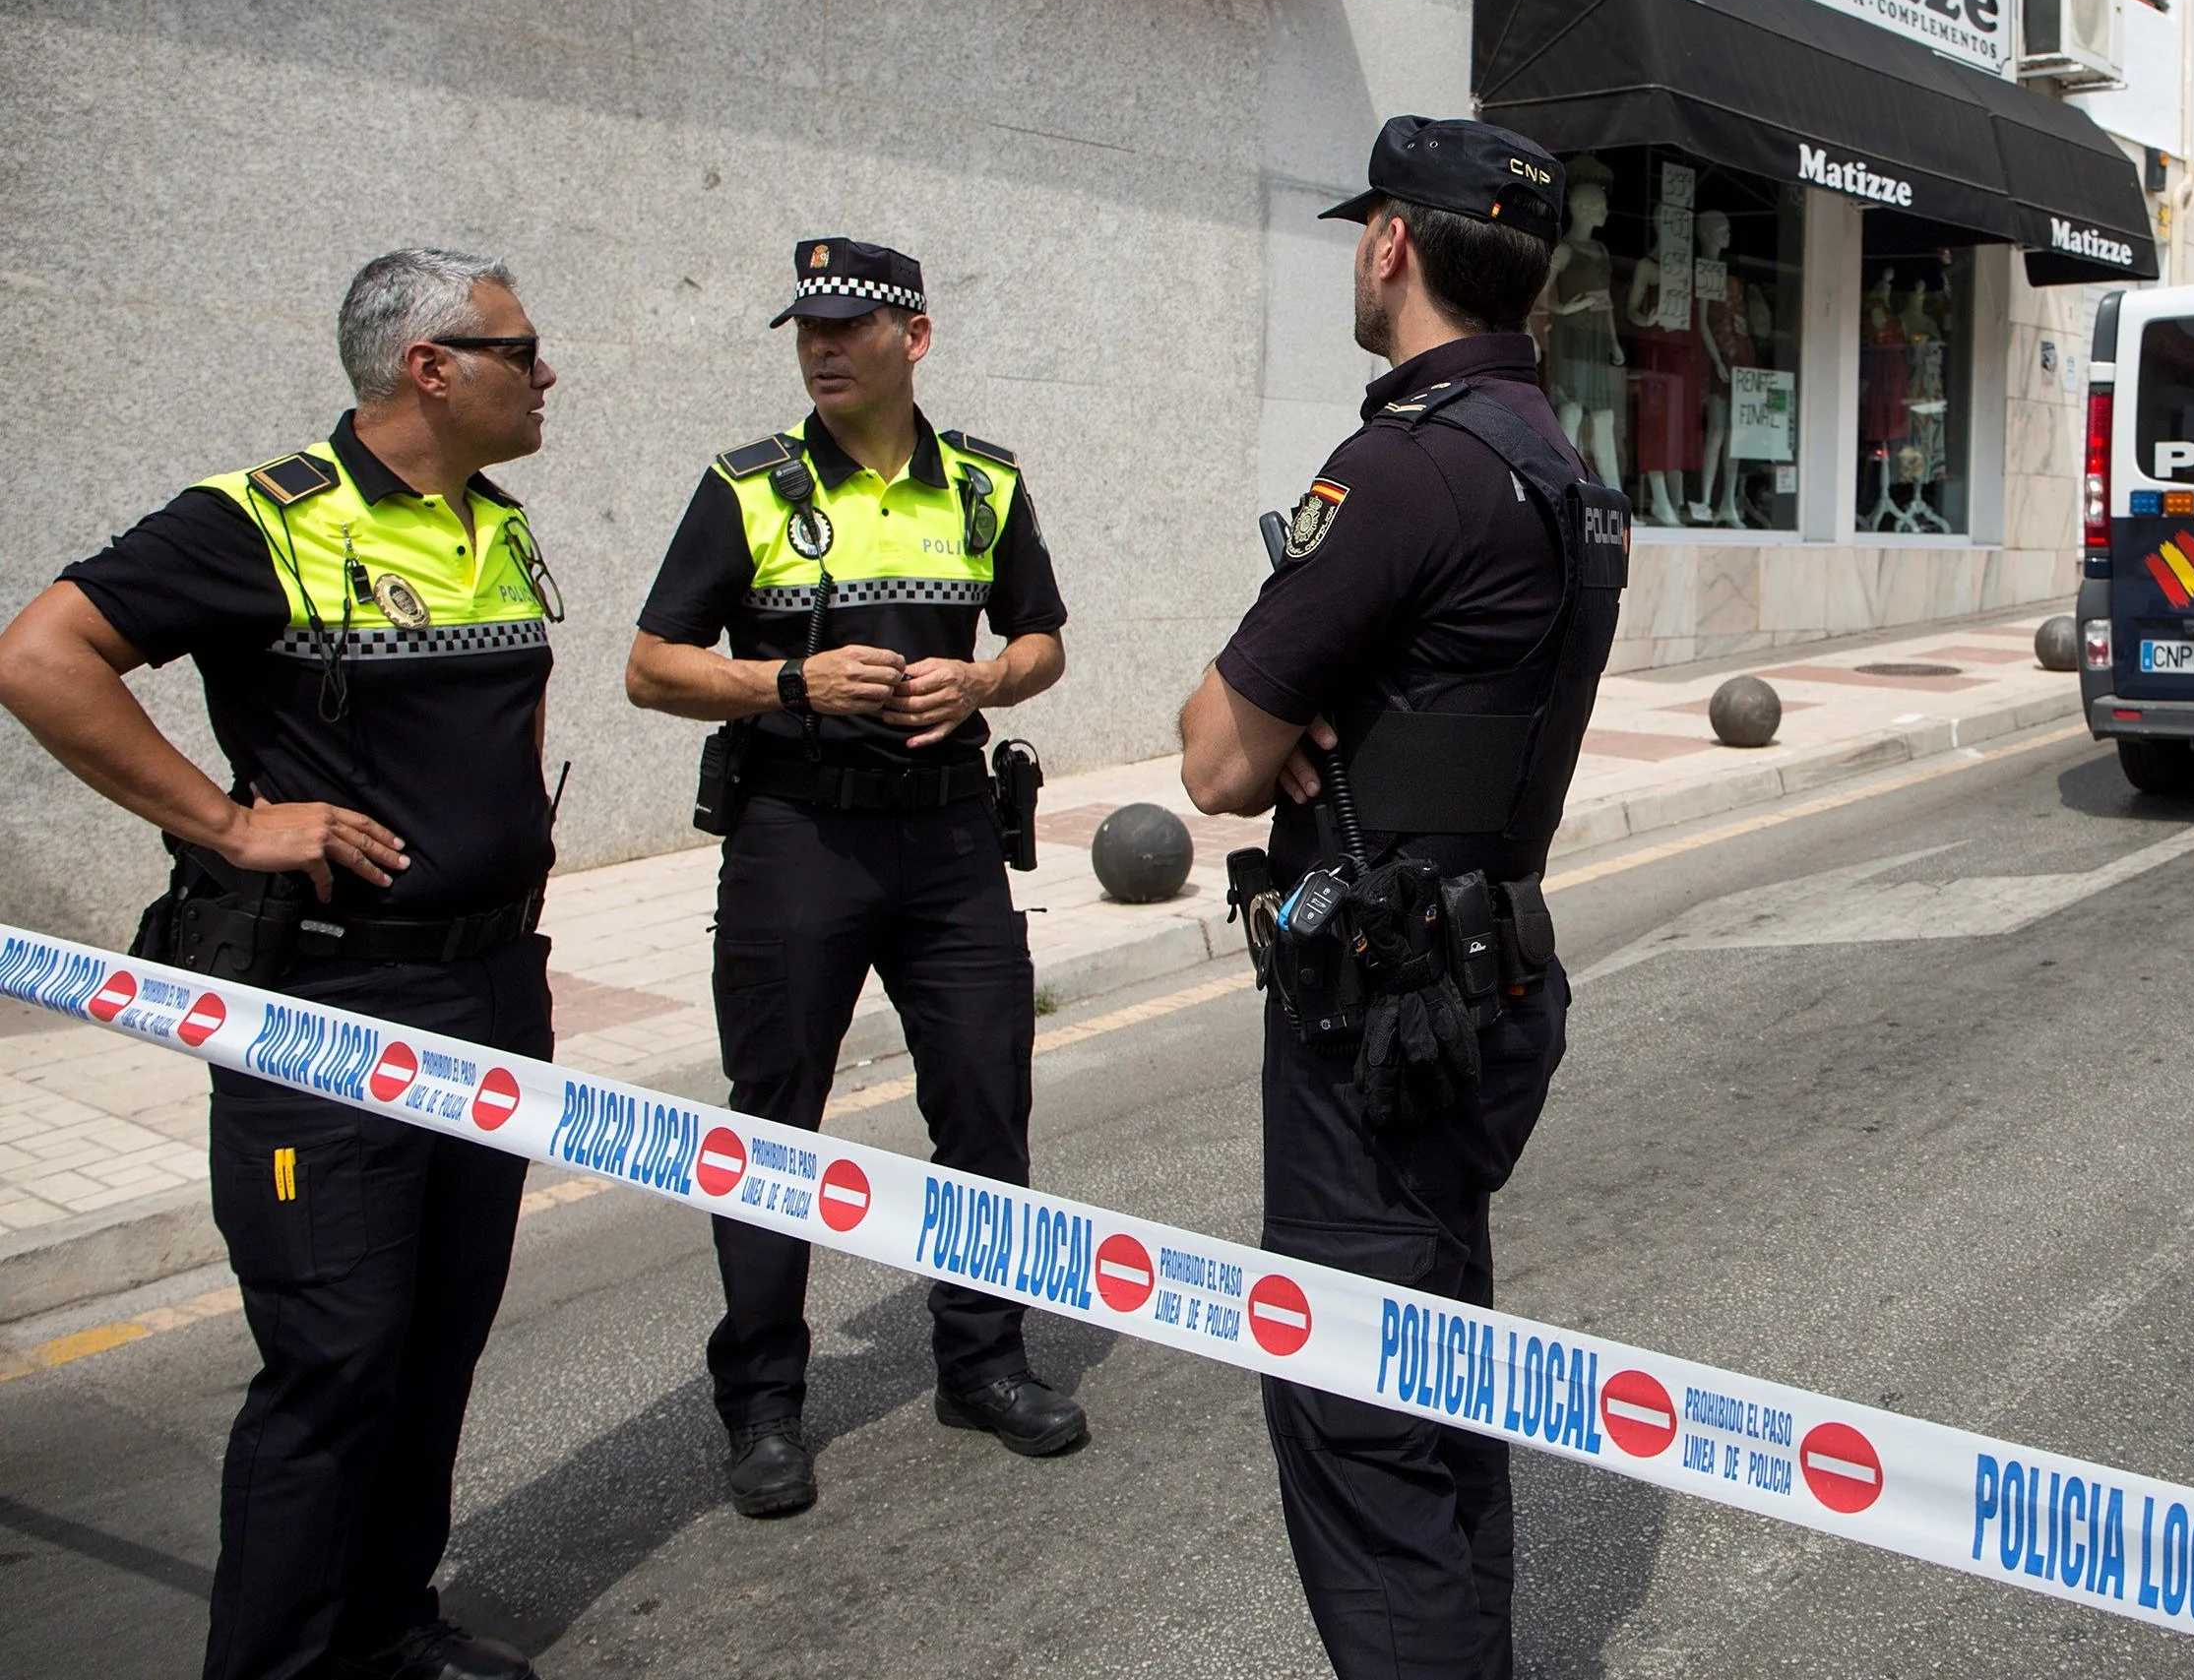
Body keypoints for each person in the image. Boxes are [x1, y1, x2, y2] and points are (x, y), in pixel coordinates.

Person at [0, 250, 562, 1680]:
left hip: (494, 993)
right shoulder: (254, 521)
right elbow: (42, 657)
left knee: (435, 1350)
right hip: (334, 1007)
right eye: (521, 347)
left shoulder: (490, 522)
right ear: (431, 366)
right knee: (334, 1365)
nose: (547, 372)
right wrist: (228, 821)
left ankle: (387, 1627)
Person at [1180, 117, 1623, 1680]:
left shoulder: (1407, 464)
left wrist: (1300, 715)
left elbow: (1216, 759)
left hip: (1379, 1016)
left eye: (1358, 231)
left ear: (1392, 245)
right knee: (1438, 1382)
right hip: (1487, 983)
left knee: (1360, 1421)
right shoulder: (1559, 467)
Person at [624, 238, 1079, 1520]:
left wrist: (989, 678)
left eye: (848, 329)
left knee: (986, 1106)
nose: (822, 349)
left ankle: (982, 1363)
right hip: (796, 839)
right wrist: (787, 682)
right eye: (805, 331)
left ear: (913, 338)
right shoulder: (748, 486)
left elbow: (1041, 634)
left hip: (947, 842)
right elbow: (651, 665)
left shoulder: (984, 481)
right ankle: (764, 1406)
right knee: (771, 1125)